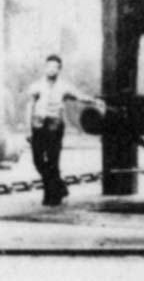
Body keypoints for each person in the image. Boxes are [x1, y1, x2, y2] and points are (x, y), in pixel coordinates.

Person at [27, 54, 101, 206]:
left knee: (53, 161)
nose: (51, 69)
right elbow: (29, 107)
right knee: (38, 161)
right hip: (38, 124)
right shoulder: (36, 85)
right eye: (49, 66)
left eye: (55, 67)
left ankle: (51, 197)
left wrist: (94, 101)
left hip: (55, 124)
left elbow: (79, 96)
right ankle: (59, 186)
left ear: (59, 70)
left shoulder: (64, 86)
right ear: (45, 67)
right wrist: (28, 129)